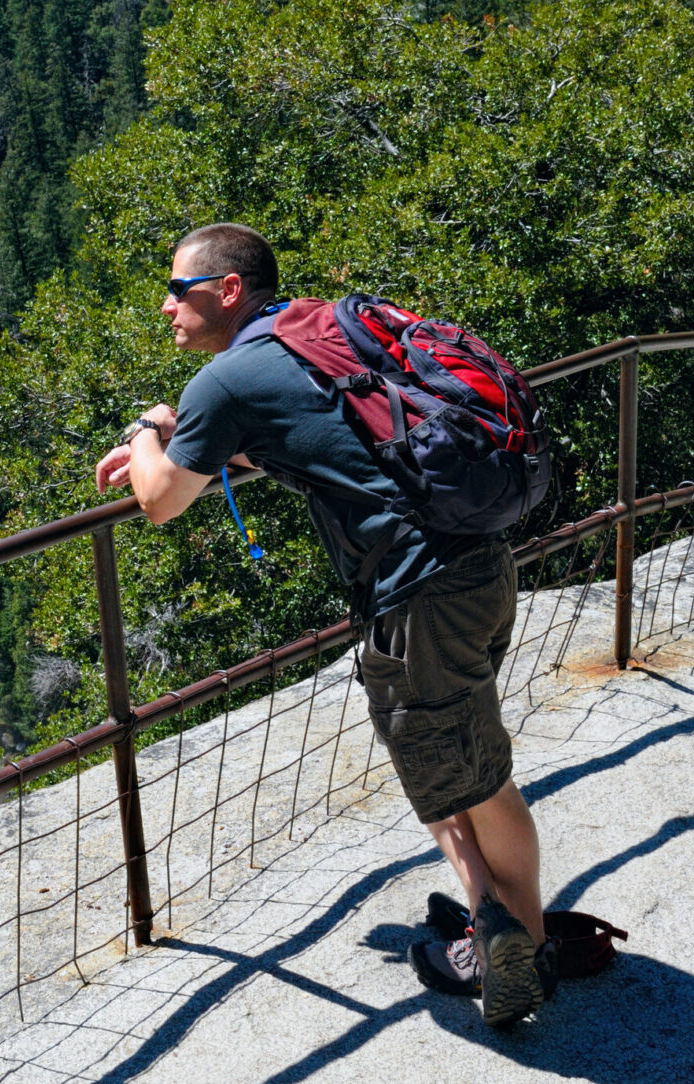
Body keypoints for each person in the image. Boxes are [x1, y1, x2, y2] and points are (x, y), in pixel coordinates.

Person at [93, 222, 556, 1027]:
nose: (166, 306)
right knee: (448, 764)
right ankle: (498, 923)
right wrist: (186, 439)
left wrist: (146, 429)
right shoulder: (318, 330)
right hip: (477, 562)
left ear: (225, 289)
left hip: (419, 593)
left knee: (477, 778)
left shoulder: (225, 379)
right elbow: (303, 442)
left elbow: (160, 500)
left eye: (176, 289)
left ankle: (520, 948)